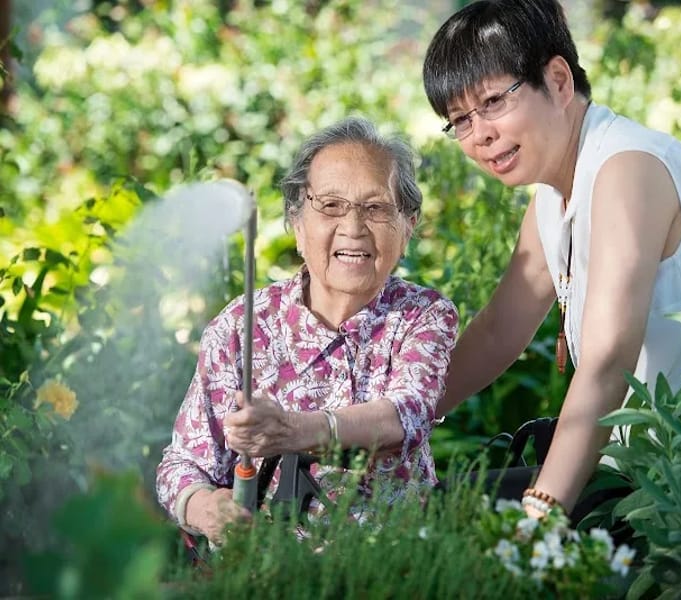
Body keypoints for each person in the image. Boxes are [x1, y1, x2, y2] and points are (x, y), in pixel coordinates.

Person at [422, 0, 681, 518]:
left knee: (438, 522)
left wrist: (540, 517)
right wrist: (397, 420)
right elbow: (499, 331)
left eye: (493, 101)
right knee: (423, 509)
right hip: (644, 471)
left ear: (558, 81)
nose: (479, 134)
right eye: (460, 120)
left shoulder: (628, 170)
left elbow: (609, 362)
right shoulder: (554, 196)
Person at [155, 117, 459, 543]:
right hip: (267, 567)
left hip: (390, 565)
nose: (353, 227)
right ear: (297, 225)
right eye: (331, 205)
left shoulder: (422, 315)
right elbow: (183, 464)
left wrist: (294, 430)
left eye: (375, 208)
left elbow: (406, 414)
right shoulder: (241, 327)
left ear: (407, 227)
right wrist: (205, 508)